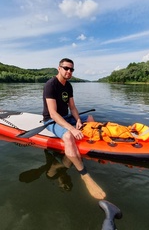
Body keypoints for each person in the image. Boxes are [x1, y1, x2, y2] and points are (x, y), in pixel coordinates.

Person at [42, 58, 106, 200]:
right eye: (66, 68)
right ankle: (84, 175)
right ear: (59, 68)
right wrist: (72, 129)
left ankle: (88, 147)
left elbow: (72, 107)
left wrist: (77, 120)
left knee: (89, 118)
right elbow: (53, 113)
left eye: (71, 69)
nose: (69, 71)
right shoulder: (50, 85)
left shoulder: (69, 86)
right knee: (68, 137)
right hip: (52, 120)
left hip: (66, 117)